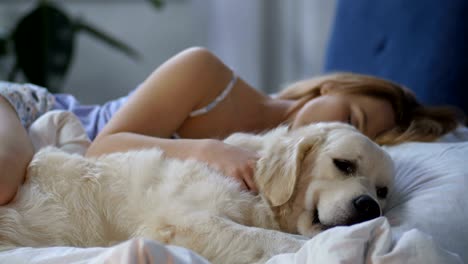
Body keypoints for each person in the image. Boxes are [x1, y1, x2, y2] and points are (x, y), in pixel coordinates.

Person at [0, 47, 462, 206]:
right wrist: (208, 151)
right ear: (329, 88)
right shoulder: (204, 72)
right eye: (349, 118)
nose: (335, 135)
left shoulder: (284, 176)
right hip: (35, 116)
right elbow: (102, 149)